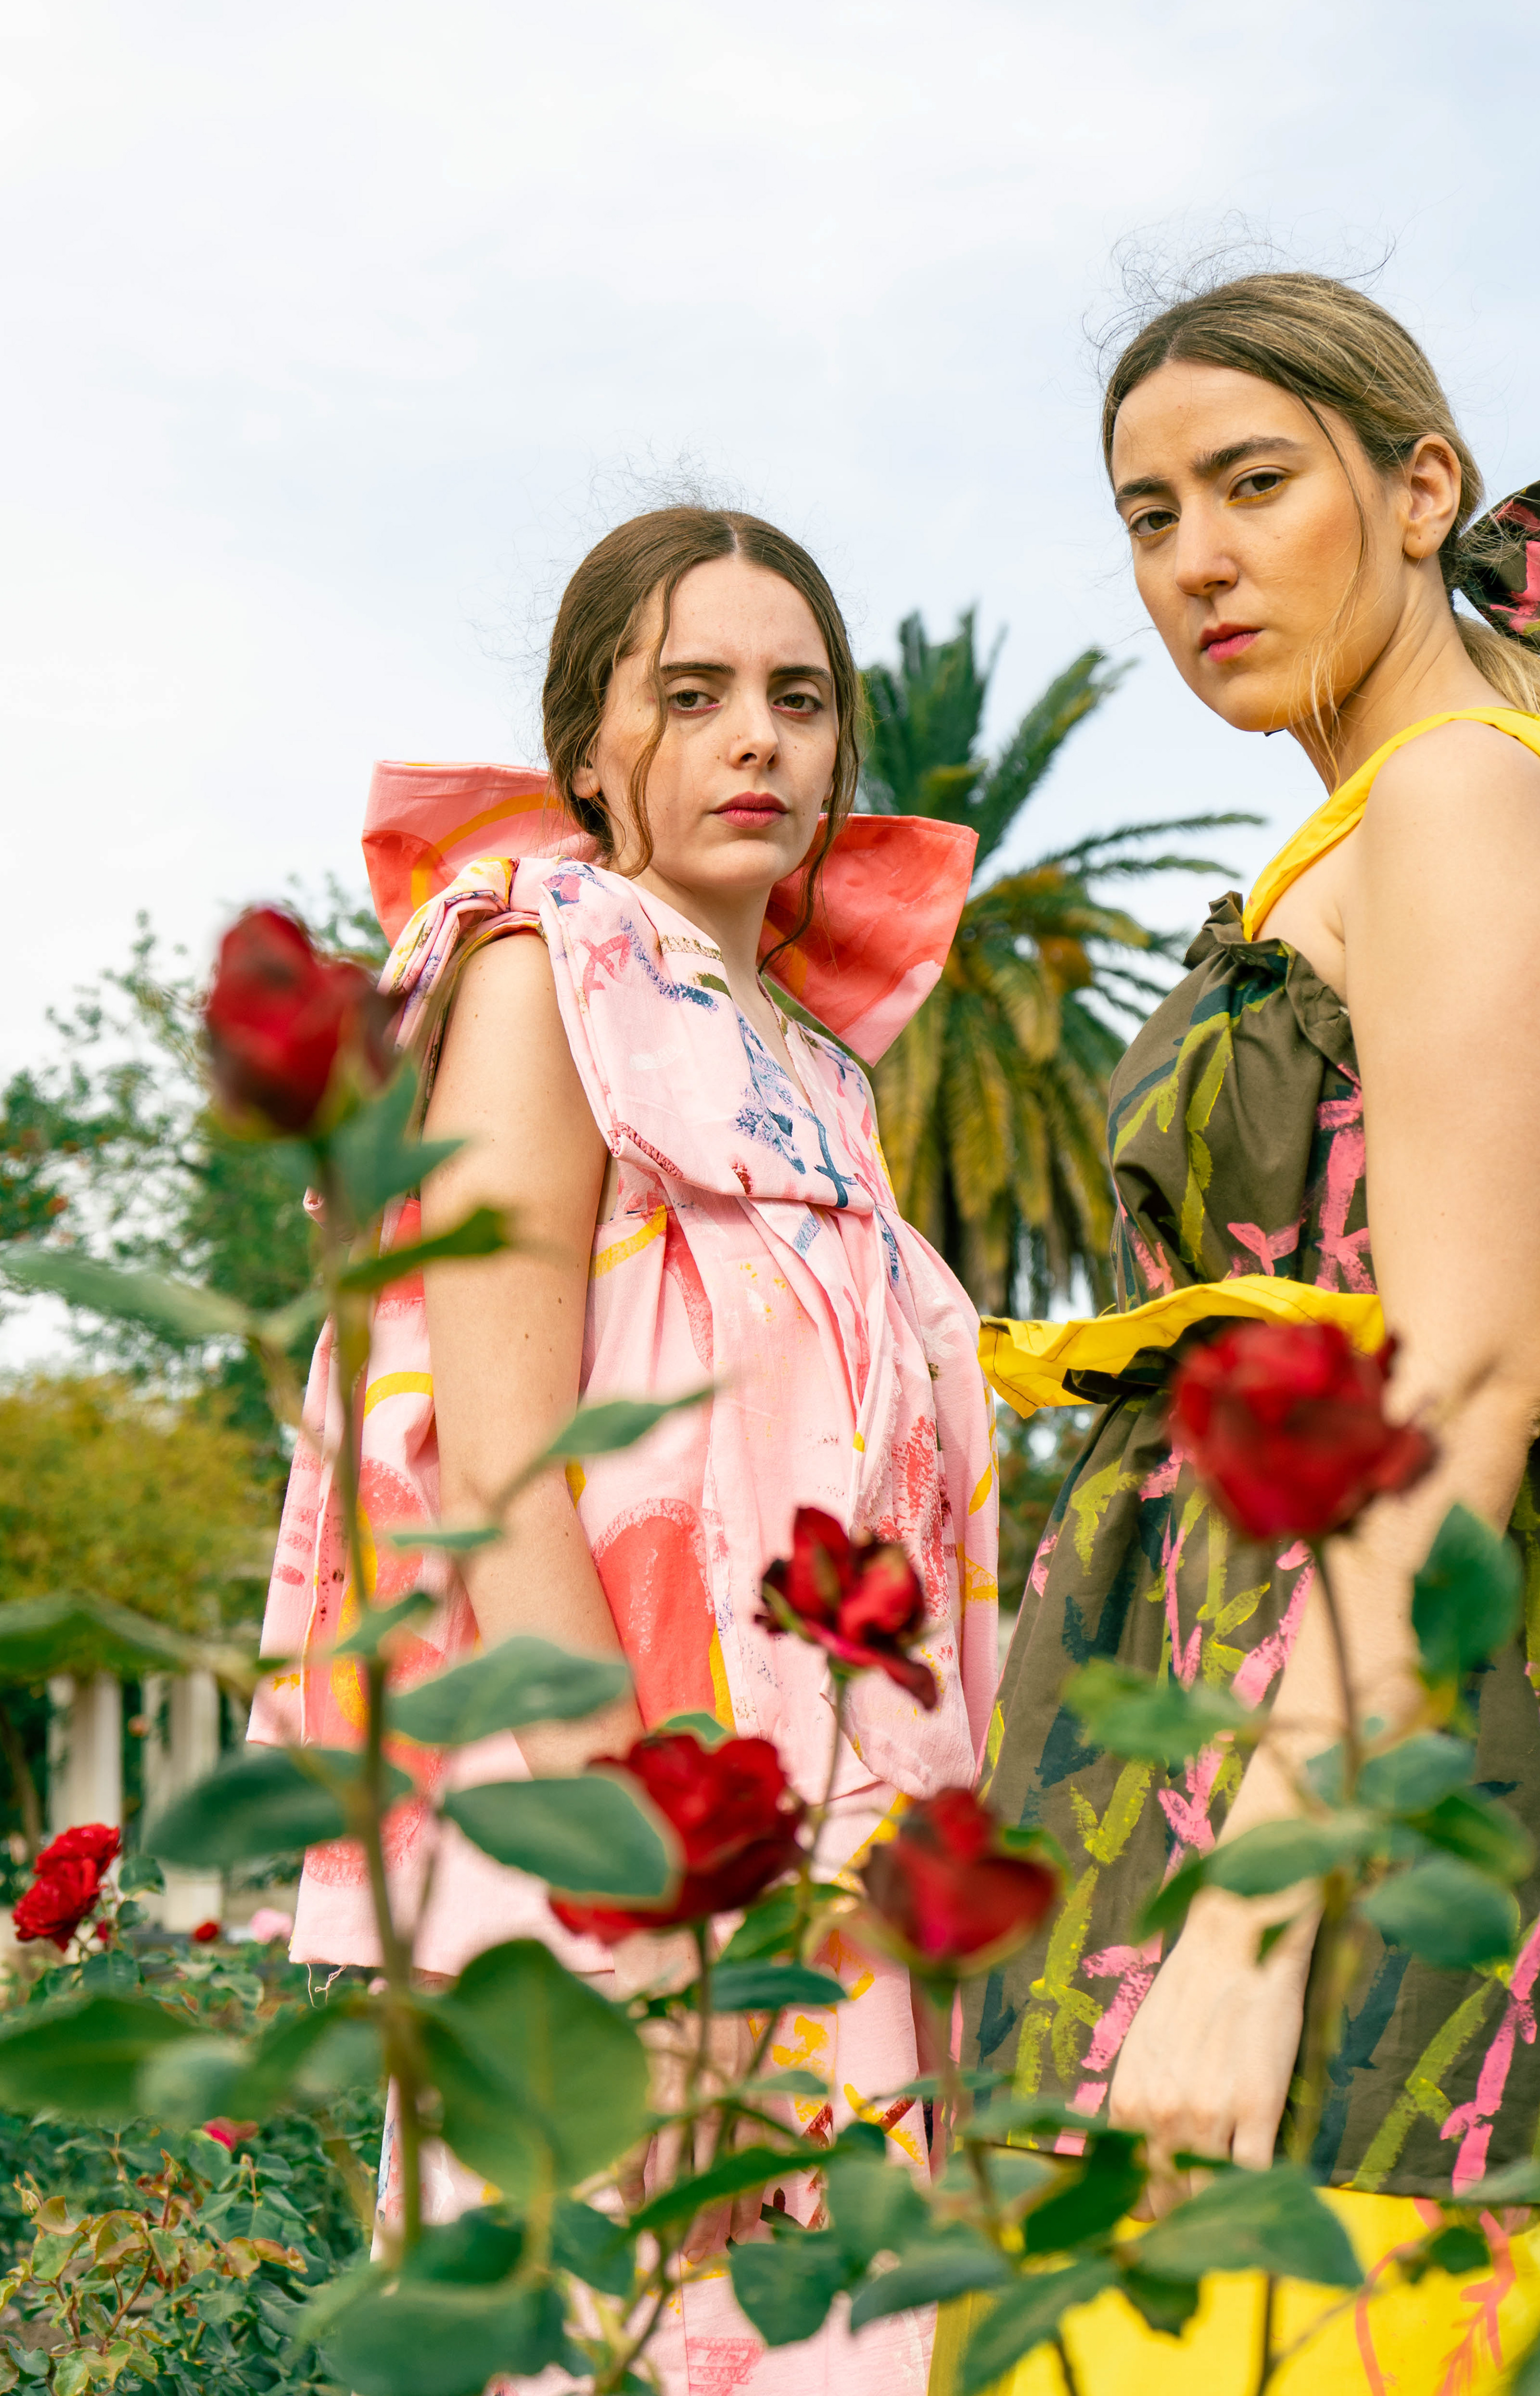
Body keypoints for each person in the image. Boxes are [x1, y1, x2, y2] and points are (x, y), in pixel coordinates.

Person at [955, 274, 1540, 2393]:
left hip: (1331, 1786)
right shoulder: (1390, 816)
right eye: (1150, 516)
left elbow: (1468, 1375)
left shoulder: (1460, 798)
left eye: (1254, 484)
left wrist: (1248, 1925)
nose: (1196, 562)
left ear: (1423, 493)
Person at [254, 506, 1000, 2396]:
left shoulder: (822, 1074)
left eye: (800, 699)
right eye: (693, 694)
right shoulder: (545, 964)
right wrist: (666, 1928)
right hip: (625, 1894)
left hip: (829, 1892)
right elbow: (498, 1476)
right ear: (587, 747)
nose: (758, 737)